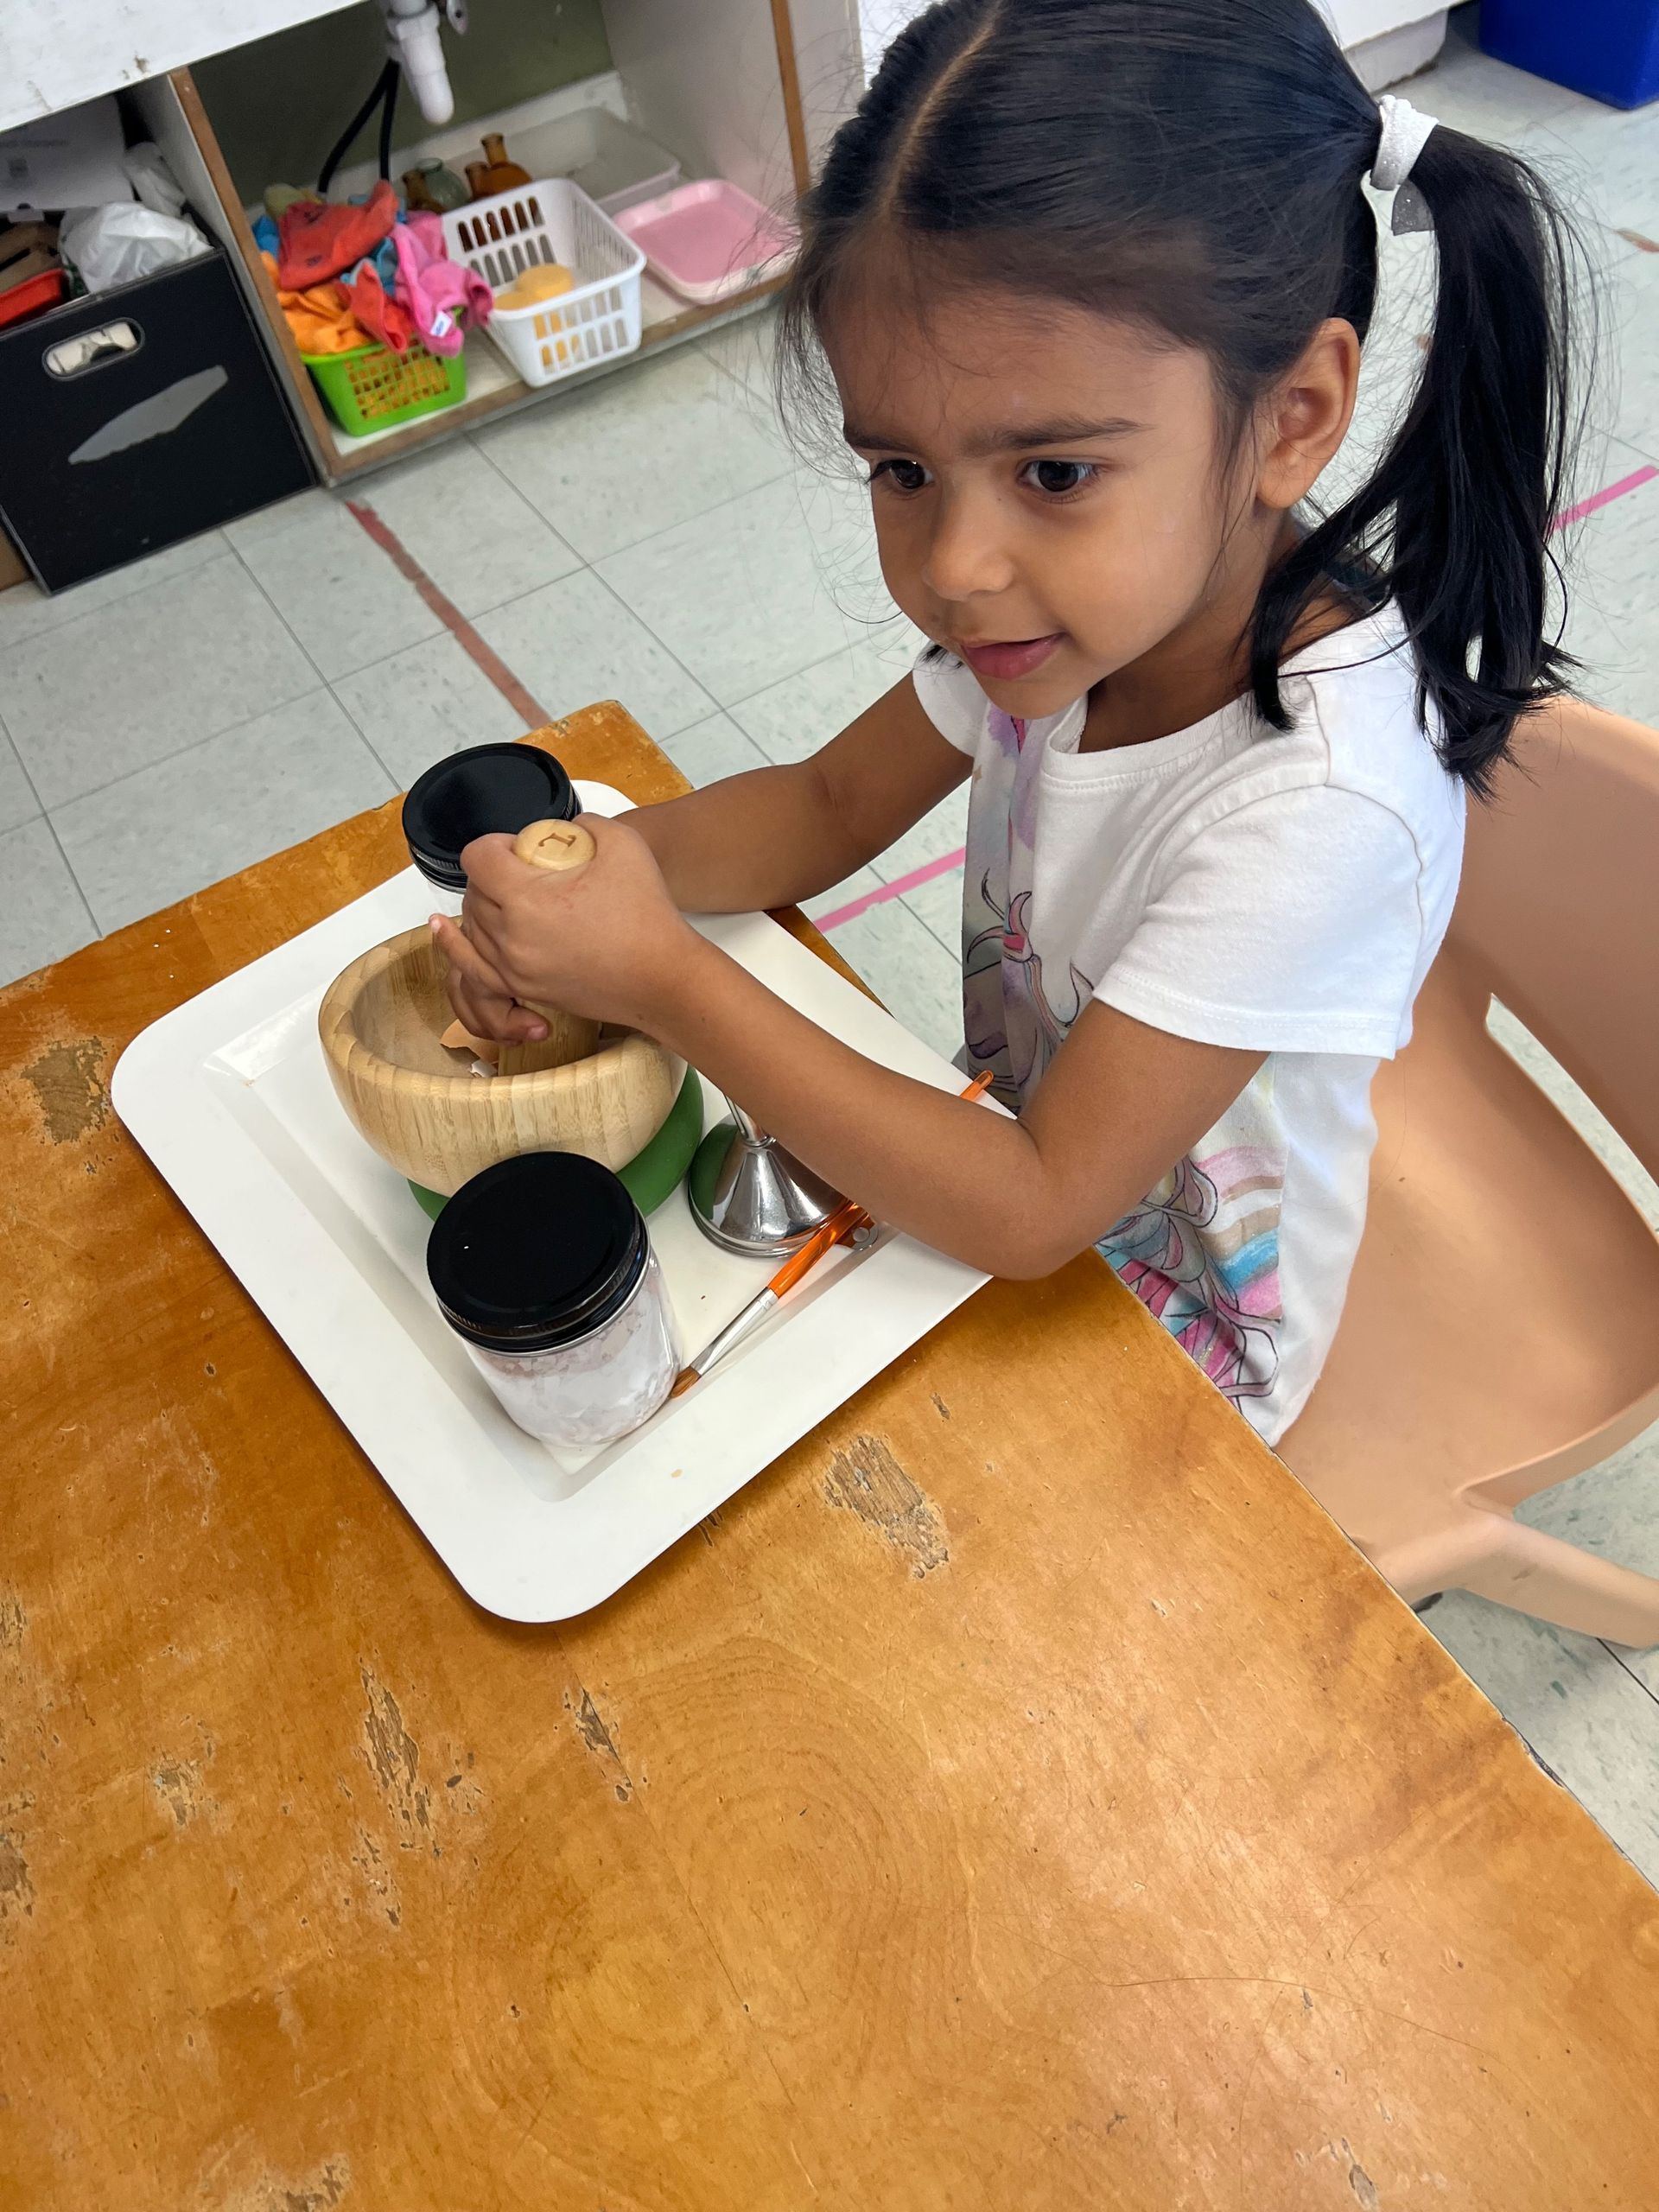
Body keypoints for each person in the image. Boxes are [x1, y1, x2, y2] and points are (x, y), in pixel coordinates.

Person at [435, 0, 1586, 1444]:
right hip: (1001, 1171)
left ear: (1291, 419)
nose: (955, 571)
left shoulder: (1318, 805)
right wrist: (577, 892)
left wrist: (663, 979)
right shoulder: (1076, 620)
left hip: (1174, 1341)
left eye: (1052, 472)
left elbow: (1041, 1204)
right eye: (902, 468)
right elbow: (824, 807)